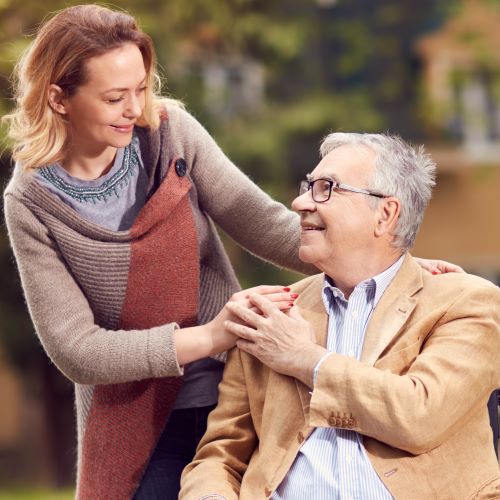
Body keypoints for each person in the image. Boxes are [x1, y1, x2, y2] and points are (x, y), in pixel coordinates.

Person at [2, 5, 461, 499]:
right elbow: (78, 350)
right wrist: (215, 334)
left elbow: (260, 221)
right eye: (115, 97)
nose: (136, 110)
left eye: (141, 88)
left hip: (232, 393)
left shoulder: (169, 132)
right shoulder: (30, 202)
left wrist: (389, 261)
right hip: (137, 415)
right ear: (59, 98)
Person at [180, 133, 500, 500]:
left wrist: (307, 360)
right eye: (307, 187)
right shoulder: (270, 313)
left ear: (386, 214)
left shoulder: (467, 303)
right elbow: (220, 457)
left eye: (326, 188)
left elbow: (419, 416)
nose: (299, 202)